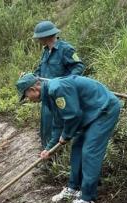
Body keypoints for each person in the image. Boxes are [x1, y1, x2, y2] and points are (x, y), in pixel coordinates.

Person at [16, 73, 121, 203]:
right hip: (88, 114)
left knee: (90, 152)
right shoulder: (48, 97)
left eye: (26, 96)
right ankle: (73, 188)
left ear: (34, 89)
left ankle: (86, 201)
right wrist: (49, 148)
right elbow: (58, 124)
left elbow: (73, 116)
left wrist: (65, 137)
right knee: (77, 149)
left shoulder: (56, 88)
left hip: (104, 110)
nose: (28, 99)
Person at [32, 21, 85, 149]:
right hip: (46, 95)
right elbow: (40, 69)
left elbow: (78, 66)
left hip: (59, 95)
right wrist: (33, 77)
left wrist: (65, 82)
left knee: (57, 126)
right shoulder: (46, 51)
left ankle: (56, 153)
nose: (38, 40)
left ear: (46, 36)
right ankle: (47, 152)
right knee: (45, 127)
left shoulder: (65, 49)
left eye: (39, 37)